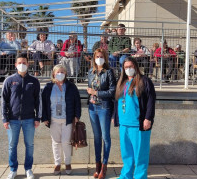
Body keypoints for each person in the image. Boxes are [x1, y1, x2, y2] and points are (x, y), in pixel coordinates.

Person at [113, 56, 156, 179]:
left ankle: (140, 176)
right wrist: (115, 116)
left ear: (136, 67)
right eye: (126, 67)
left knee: (140, 154)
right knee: (126, 154)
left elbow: (150, 102)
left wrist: (148, 118)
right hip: (124, 124)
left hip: (138, 125)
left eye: (131, 67)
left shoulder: (145, 81)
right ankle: (125, 176)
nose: (128, 69)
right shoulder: (121, 82)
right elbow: (117, 101)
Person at [1, 54, 41, 179]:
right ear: (15, 64)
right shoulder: (9, 80)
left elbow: (38, 100)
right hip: (13, 120)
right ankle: (13, 169)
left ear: (28, 64)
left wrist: (37, 117)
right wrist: (4, 118)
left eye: (24, 62)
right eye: (20, 63)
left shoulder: (34, 81)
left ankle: (28, 169)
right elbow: (3, 100)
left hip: (29, 119)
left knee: (29, 145)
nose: (22, 65)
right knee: (12, 145)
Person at [41, 64, 81, 175]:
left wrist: (77, 116)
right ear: (54, 74)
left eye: (63, 72)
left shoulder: (71, 86)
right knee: (56, 143)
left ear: (66, 74)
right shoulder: (48, 87)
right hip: (53, 119)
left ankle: (67, 163)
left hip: (67, 119)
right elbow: (43, 103)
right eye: (58, 72)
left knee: (66, 142)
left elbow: (77, 102)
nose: (60, 74)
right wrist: (44, 118)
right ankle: (57, 163)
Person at [87, 48, 116, 179]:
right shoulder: (90, 72)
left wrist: (96, 93)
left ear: (105, 58)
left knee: (105, 137)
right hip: (92, 108)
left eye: (101, 56)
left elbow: (112, 91)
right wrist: (91, 93)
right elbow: (89, 88)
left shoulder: (109, 72)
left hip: (104, 107)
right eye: (97, 56)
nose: (99, 58)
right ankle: (97, 165)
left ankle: (104, 166)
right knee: (97, 137)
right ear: (94, 58)